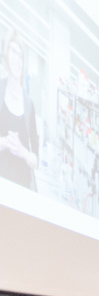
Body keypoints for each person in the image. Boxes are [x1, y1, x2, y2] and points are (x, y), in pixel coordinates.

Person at [0, 37, 38, 190]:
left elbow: (35, 160)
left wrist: (23, 151)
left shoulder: (29, 105)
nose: (17, 59)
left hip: (22, 192)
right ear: (6, 55)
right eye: (13, 52)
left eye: (20, 55)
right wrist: (5, 143)